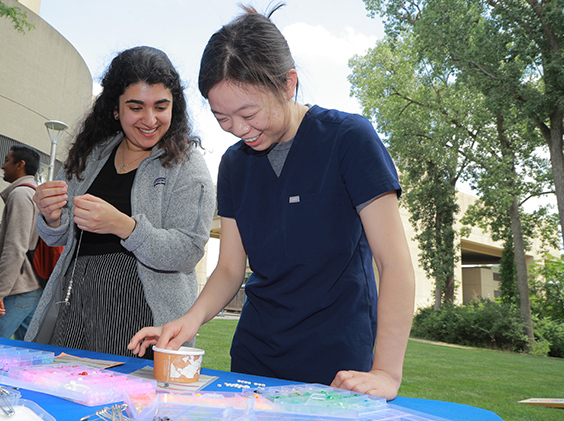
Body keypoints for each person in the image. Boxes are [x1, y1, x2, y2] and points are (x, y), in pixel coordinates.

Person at [128, 6, 415, 400]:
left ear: (288, 84)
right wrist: (188, 320)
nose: (240, 130)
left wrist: (385, 371)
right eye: (222, 118)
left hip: (337, 362)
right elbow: (230, 267)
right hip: (255, 357)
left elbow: (394, 263)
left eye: (248, 112)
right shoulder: (233, 164)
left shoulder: (350, 140)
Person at [24, 46, 216, 358]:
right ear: (115, 108)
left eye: (161, 107)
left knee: (127, 402)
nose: (150, 120)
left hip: (142, 314)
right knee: (63, 389)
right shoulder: (90, 156)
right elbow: (57, 237)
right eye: (136, 107)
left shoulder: (188, 164)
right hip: (75, 302)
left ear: (174, 107)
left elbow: (187, 252)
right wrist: (51, 216)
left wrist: (125, 227)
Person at [0, 145, 42, 340]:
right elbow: (29, 239)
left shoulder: (20, 194)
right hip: (32, 286)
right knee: (28, 352)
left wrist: (0, 291)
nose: (2, 166)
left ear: (20, 165)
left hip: (17, 288)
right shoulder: (34, 193)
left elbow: (16, 247)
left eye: (7, 160)